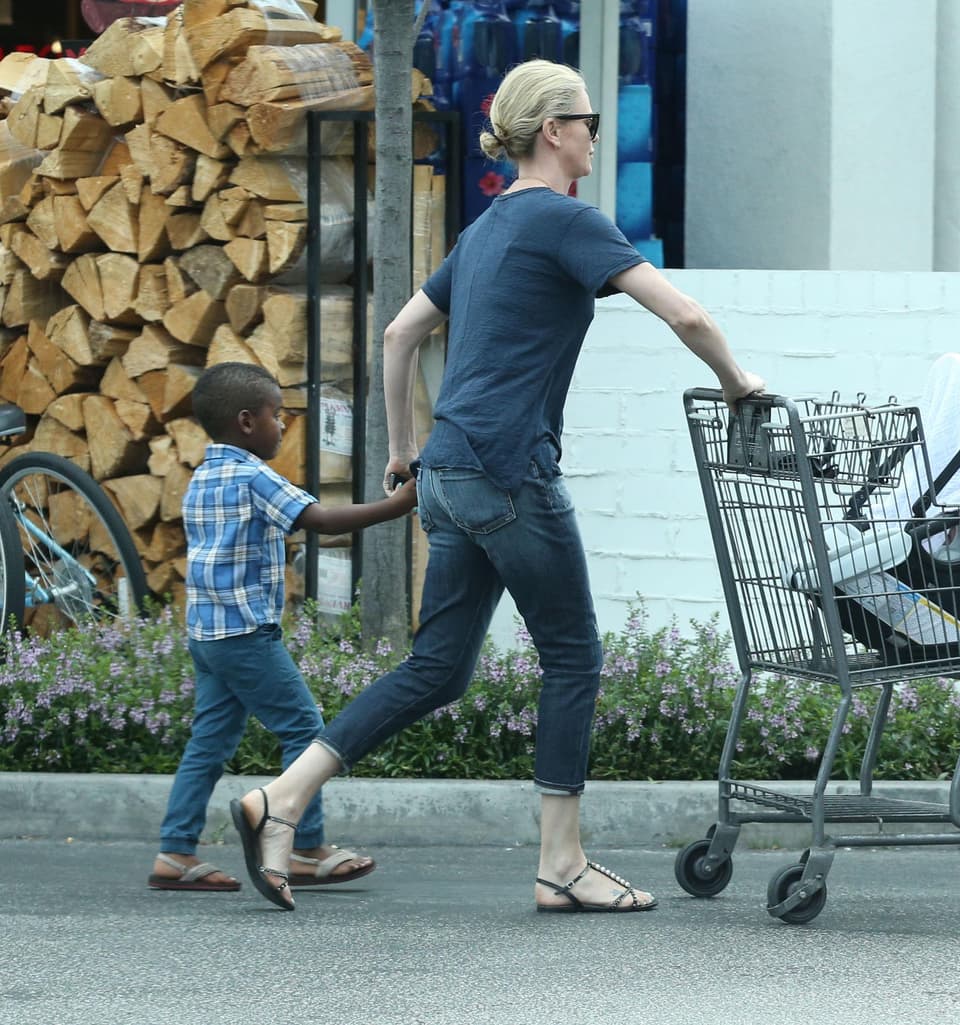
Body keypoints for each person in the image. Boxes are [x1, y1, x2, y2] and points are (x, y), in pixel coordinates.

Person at [230, 58, 765, 913]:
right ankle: (562, 862)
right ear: (554, 131)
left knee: (438, 667)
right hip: (509, 470)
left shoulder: (485, 230)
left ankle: (283, 797)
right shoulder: (564, 219)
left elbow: (402, 332)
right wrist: (741, 383)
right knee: (574, 655)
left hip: (448, 471)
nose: (596, 131)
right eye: (587, 118)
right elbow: (686, 314)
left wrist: (406, 448)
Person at [149, 362, 417, 893]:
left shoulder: (205, 474)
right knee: (305, 728)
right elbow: (315, 520)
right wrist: (396, 506)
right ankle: (302, 846)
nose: (284, 424)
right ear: (247, 422)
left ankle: (174, 852)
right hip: (246, 635)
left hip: (207, 635)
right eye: (278, 415)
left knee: (209, 741)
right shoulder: (252, 475)